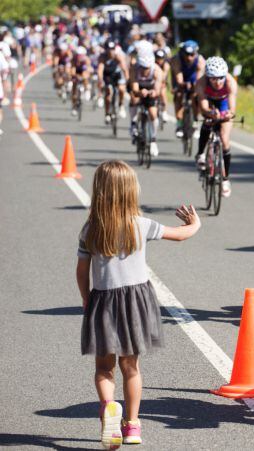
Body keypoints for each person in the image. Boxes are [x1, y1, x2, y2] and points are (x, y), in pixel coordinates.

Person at [76, 160, 200, 448]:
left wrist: (86, 298)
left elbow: (82, 271)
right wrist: (195, 224)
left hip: (103, 301)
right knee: (131, 367)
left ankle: (109, 406)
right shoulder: (140, 224)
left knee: (104, 369)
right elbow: (180, 235)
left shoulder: (90, 229)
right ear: (131, 192)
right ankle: (132, 426)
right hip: (135, 301)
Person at [194, 57, 238, 197]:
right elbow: (203, 107)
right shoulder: (201, 82)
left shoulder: (230, 82)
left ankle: (225, 179)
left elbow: (232, 109)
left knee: (224, 139)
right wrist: (210, 113)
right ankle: (201, 153)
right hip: (209, 102)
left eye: (220, 78)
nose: (217, 82)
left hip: (224, 103)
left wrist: (227, 115)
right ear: (208, 77)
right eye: (213, 78)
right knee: (207, 122)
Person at [128, 52, 163, 156]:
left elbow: (157, 89)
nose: (144, 70)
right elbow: (134, 89)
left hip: (151, 90)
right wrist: (139, 92)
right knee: (134, 99)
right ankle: (133, 124)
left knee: (153, 113)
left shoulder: (157, 71)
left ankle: (153, 140)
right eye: (142, 67)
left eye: (147, 68)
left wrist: (153, 93)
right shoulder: (134, 69)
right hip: (139, 89)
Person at [170, 40, 205, 139]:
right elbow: (178, 76)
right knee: (179, 95)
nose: (189, 57)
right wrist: (181, 84)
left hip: (194, 78)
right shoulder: (177, 59)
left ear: (196, 53)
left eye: (192, 54)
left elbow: (199, 79)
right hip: (181, 76)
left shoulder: (200, 60)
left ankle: (195, 121)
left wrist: (195, 86)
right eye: (186, 54)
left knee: (195, 96)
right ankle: (179, 124)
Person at [97, 41, 128, 123]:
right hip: (107, 75)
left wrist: (127, 80)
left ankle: (121, 105)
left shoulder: (118, 56)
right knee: (108, 93)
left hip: (117, 75)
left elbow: (124, 69)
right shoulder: (103, 57)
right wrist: (100, 80)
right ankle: (107, 114)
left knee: (121, 89)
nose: (111, 51)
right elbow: (100, 69)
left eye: (112, 49)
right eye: (109, 49)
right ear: (106, 50)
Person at [70, 46, 93, 115]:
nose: (79, 57)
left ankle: (86, 89)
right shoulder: (73, 59)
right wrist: (74, 76)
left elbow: (88, 70)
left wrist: (85, 76)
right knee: (74, 92)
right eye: (78, 55)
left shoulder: (86, 59)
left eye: (80, 55)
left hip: (83, 71)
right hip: (76, 71)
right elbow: (72, 70)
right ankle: (74, 107)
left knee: (85, 76)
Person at [153, 48, 171, 123]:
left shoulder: (166, 64)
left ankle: (164, 111)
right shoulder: (153, 63)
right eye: (157, 58)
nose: (159, 60)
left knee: (163, 94)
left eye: (161, 58)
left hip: (162, 81)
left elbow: (164, 74)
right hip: (154, 81)